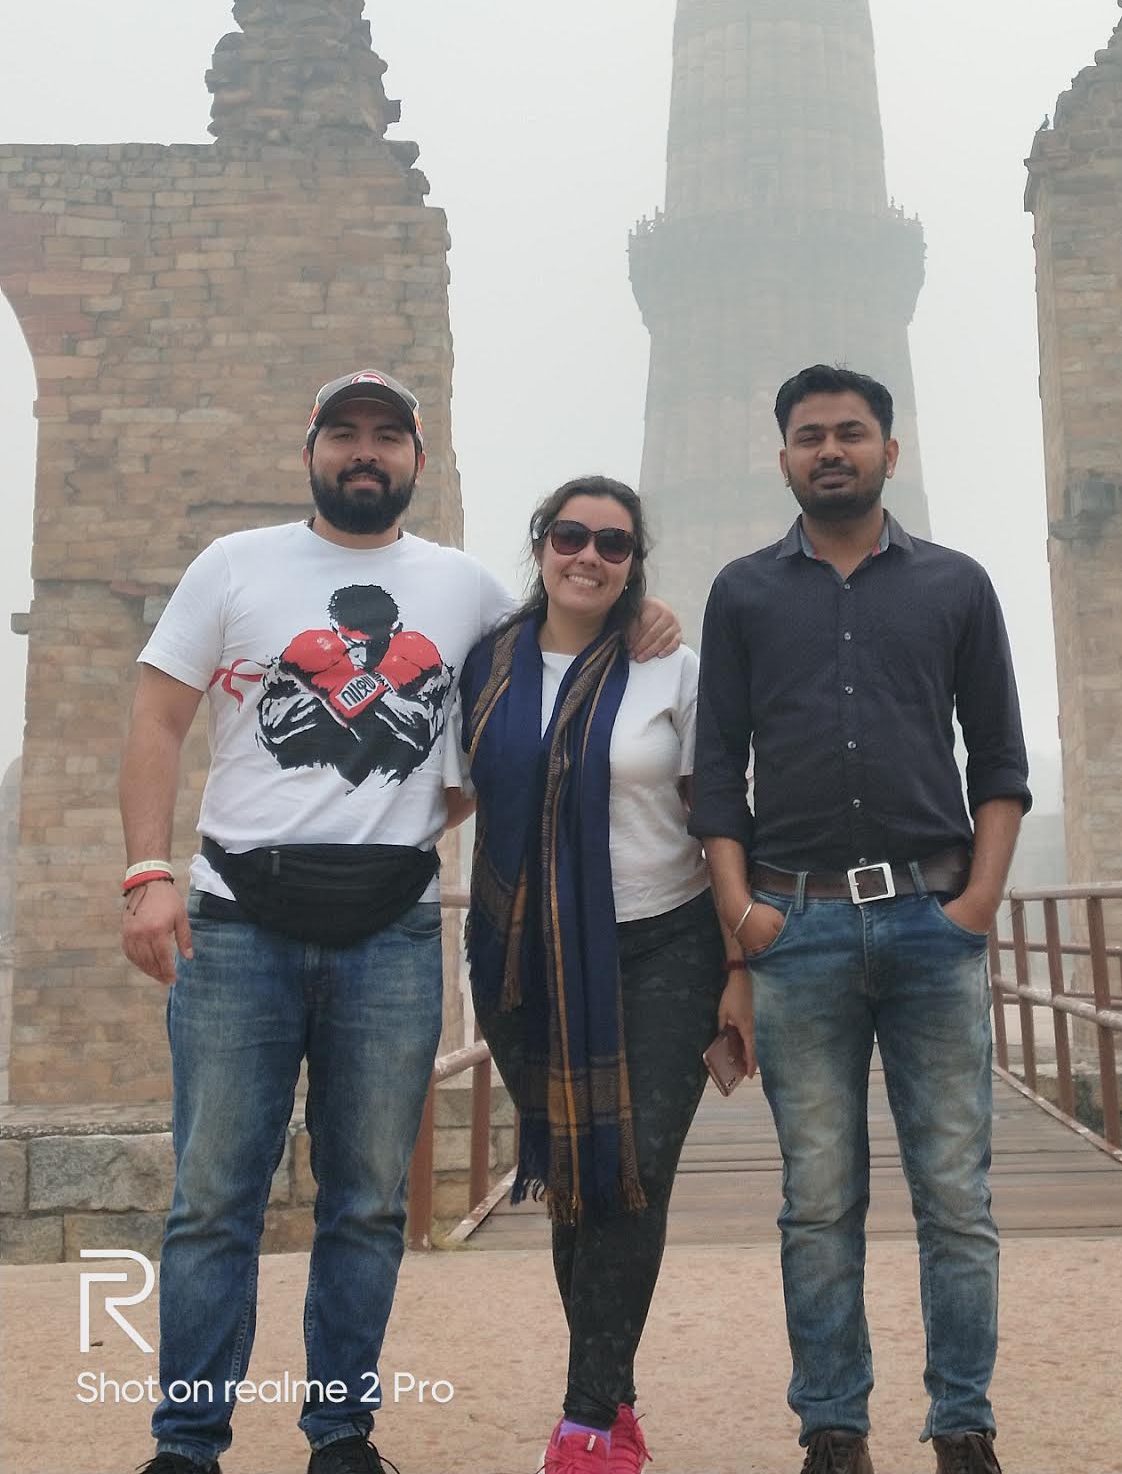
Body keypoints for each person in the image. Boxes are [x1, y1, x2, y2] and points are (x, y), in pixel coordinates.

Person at [119, 372, 679, 1474]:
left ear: (417, 456)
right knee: (212, 1198)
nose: (364, 452)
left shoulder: (463, 591)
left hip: (388, 928)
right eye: (345, 433)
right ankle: (187, 1442)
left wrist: (640, 612)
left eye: (387, 435)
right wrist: (148, 869)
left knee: (368, 1200)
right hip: (236, 920)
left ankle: (340, 1433)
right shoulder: (235, 565)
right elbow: (157, 712)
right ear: (314, 447)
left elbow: (530, 685)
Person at [693, 365, 1030, 1474]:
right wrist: (739, 910)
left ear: (894, 448)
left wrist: (976, 901)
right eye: (808, 435)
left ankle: (962, 1422)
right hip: (799, 926)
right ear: (782, 457)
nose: (829, 449)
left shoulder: (955, 585)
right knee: (818, 1198)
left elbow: (1001, 756)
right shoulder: (746, 591)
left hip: (932, 923)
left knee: (955, 1193)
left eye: (850, 432)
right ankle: (834, 1425)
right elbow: (717, 768)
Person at [459, 475, 723, 1474]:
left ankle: (582, 1424)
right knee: (579, 1178)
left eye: (613, 543)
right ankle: (615, 1397)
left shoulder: (673, 669)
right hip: (525, 955)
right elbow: (436, 788)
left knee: (632, 1173)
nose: (590, 554)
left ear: (635, 560)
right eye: (571, 534)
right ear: (539, 545)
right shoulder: (484, 665)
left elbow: (717, 817)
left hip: (666, 942)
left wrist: (740, 964)